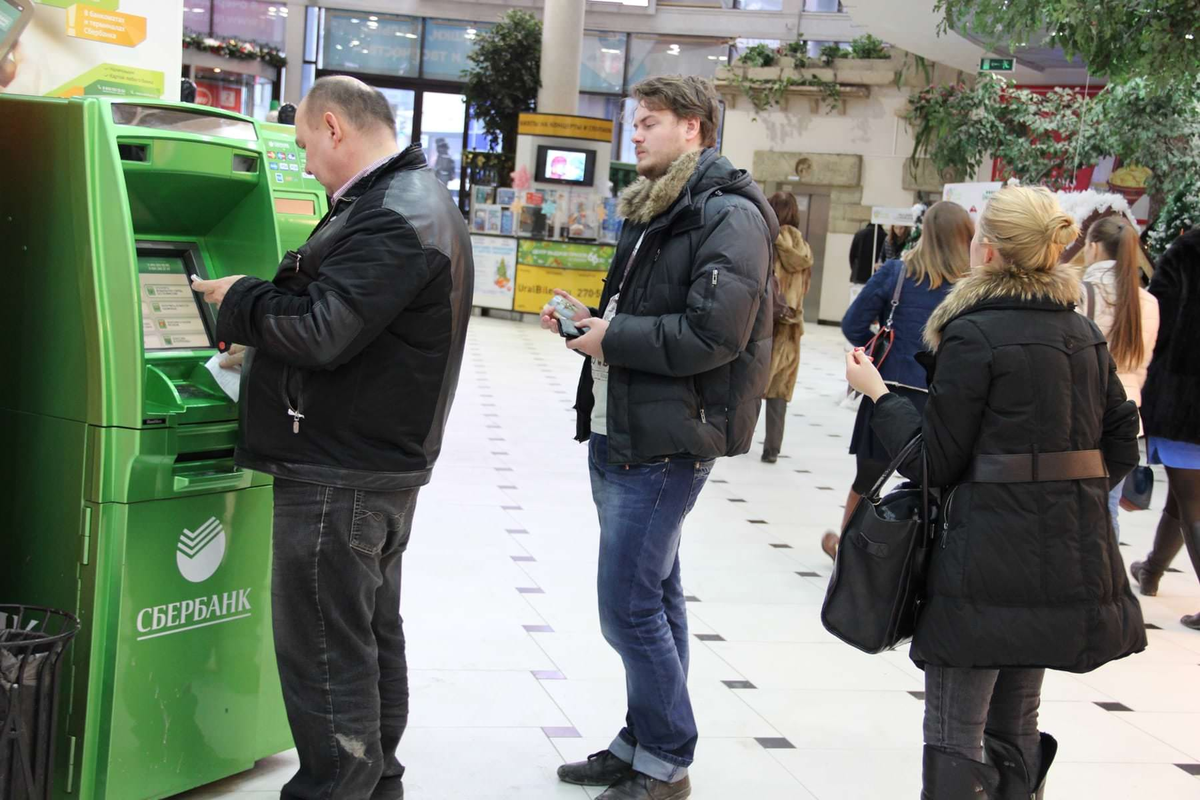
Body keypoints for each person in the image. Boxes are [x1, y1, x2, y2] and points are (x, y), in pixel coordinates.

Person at [190, 75, 473, 800]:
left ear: (334, 126)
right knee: (366, 639)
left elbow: (321, 331)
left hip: (340, 472)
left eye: (306, 144)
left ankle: (337, 788)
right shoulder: (413, 199)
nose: (307, 161)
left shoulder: (390, 215)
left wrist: (242, 300)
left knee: (325, 651)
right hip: (372, 462)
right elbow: (348, 317)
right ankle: (377, 784)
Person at [846, 186, 1145, 799]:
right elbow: (1120, 446)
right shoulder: (1081, 333)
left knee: (957, 729)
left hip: (980, 559)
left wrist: (878, 395)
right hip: (1058, 557)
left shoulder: (972, 333)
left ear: (987, 250)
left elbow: (932, 461)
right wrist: (1060, 499)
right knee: (1017, 723)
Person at [540, 74, 775, 800]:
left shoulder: (727, 214)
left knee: (628, 604)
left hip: (670, 440)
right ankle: (643, 740)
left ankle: (667, 758)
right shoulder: (656, 206)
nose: (633, 133)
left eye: (648, 122)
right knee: (656, 592)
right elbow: (645, 312)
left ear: (694, 129)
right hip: (626, 425)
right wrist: (593, 322)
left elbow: (716, 332)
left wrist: (616, 339)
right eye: (633, 122)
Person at [824, 202, 973, 560]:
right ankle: (928, 558)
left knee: (868, 482)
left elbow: (852, 323)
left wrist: (877, 347)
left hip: (885, 393)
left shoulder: (897, 273)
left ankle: (849, 554)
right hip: (943, 402)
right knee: (937, 485)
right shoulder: (972, 287)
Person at [1131, 227, 1200, 622]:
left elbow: (1159, 317)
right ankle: (1152, 569)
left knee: (1191, 498)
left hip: (1185, 397)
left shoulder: (1186, 252)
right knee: (1183, 493)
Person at [1077, 217, 1160, 542]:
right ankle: (1105, 584)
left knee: (1073, 507)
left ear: (1094, 247)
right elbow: (1142, 367)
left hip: (1084, 415)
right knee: (1107, 507)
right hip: (1126, 419)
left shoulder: (1082, 294)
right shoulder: (1149, 304)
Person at [761, 191, 814, 463]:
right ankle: (771, 449)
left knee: (753, 380)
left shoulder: (768, 241)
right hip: (792, 323)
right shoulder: (804, 247)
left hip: (766, 320)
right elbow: (804, 288)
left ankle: (740, 439)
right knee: (779, 386)